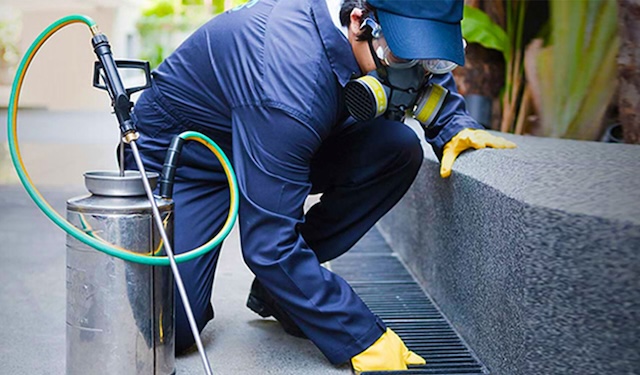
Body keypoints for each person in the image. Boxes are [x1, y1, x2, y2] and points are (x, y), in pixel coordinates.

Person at [123, 0, 516, 372]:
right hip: (191, 162)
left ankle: (282, 295)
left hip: (283, 138)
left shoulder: (372, 38)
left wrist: (454, 125)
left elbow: (424, 72)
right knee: (170, 329)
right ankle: (290, 288)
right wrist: (358, 335)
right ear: (359, 22)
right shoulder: (287, 76)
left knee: (396, 148)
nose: (413, 76)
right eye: (402, 57)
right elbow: (268, 245)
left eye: (427, 58)